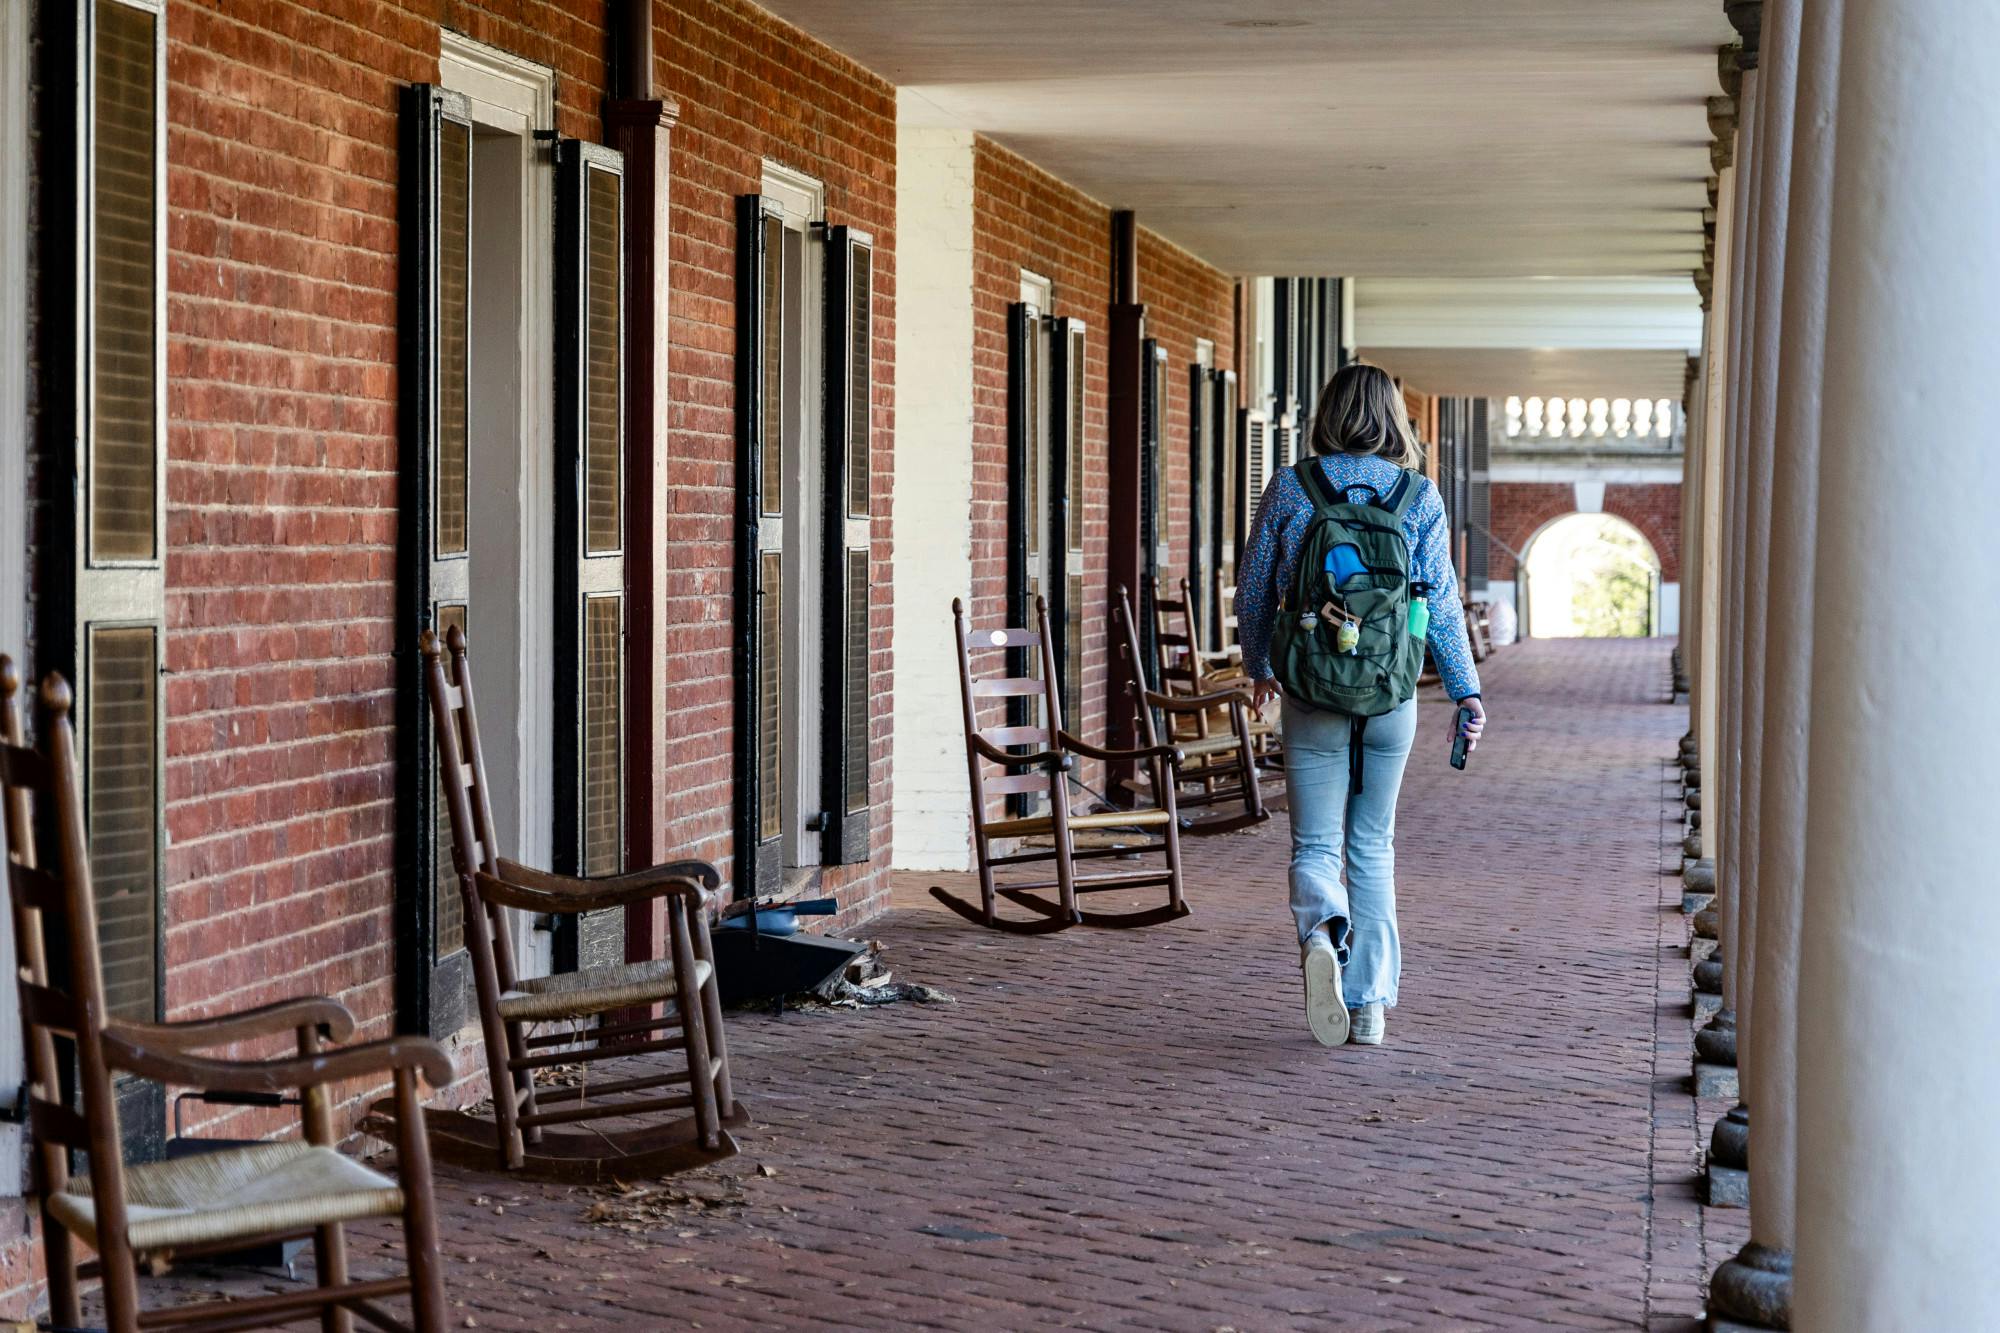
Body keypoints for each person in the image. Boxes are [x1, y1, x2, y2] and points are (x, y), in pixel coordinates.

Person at [1238, 363, 1487, 1047]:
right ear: (1394, 419)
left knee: (1315, 842)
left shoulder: (1293, 485)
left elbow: (1255, 589)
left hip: (1311, 684)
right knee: (1373, 845)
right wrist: (1465, 687)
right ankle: (1370, 1002)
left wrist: (1259, 666)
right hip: (1390, 691)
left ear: (1325, 412)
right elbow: (1439, 604)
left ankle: (1323, 931)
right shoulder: (1419, 494)